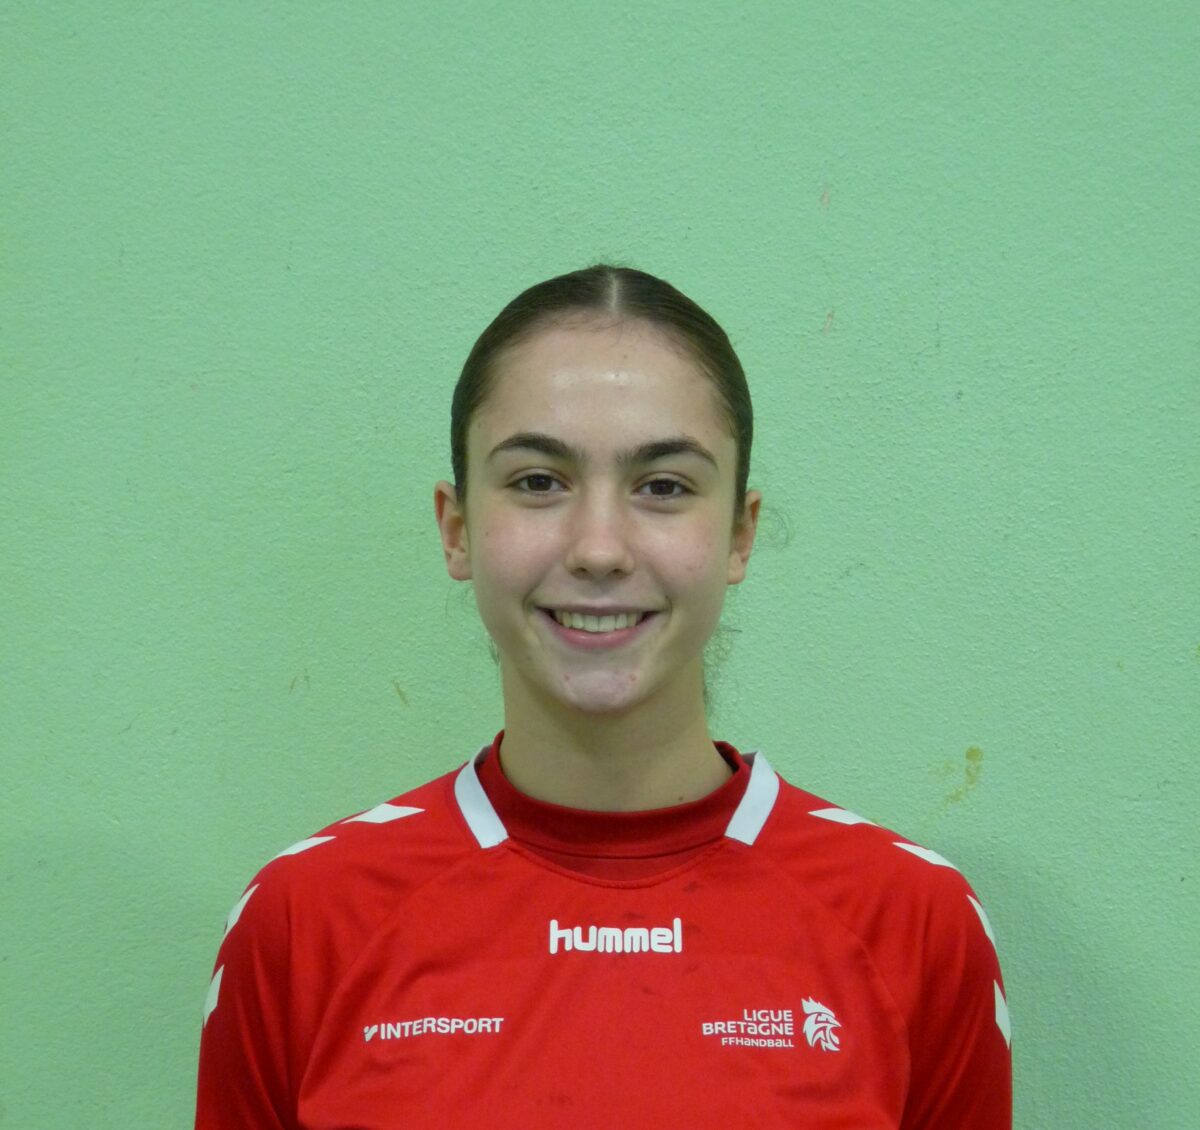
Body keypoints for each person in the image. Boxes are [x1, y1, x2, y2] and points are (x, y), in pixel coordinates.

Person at [194, 264, 1012, 1128]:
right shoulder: (305, 921)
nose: (598, 549)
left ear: (739, 534)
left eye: (663, 487)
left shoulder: (911, 922)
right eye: (538, 481)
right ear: (456, 527)